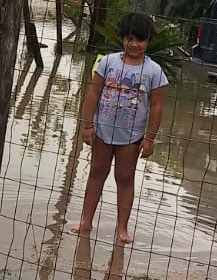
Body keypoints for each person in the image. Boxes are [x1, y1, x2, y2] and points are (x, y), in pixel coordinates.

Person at [71, 12, 168, 244]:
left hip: (132, 137)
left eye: (140, 40)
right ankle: (86, 220)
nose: (134, 44)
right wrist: (87, 125)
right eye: (129, 38)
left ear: (148, 41)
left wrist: (150, 138)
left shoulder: (155, 71)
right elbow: (93, 93)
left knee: (125, 178)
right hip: (102, 132)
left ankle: (122, 229)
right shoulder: (107, 62)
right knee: (96, 173)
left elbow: (156, 107)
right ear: (123, 38)